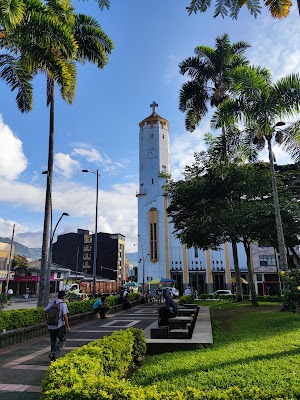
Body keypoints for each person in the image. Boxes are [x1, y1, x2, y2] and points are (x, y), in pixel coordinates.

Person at [43, 290, 70, 362]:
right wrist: (68, 326)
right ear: (63, 297)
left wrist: (46, 320)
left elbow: (44, 311)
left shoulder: (53, 303)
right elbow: (65, 316)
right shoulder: (63, 304)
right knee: (62, 340)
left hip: (51, 325)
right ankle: (54, 353)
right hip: (59, 325)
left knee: (53, 341)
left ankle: (53, 357)